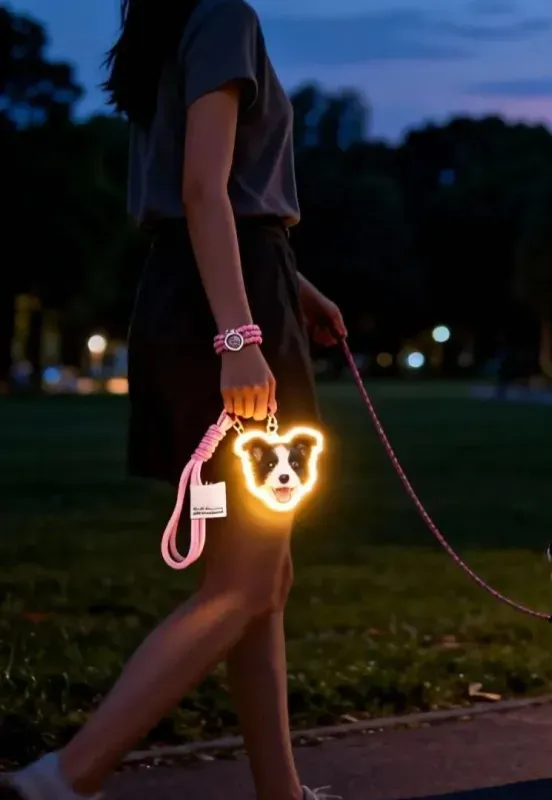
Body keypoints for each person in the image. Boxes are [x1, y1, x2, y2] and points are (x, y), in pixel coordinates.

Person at [4, 0, 346, 798]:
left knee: (262, 578)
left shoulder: (173, 21)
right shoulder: (223, 13)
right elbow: (204, 188)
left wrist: (292, 287)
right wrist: (242, 338)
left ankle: (281, 792)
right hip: (222, 312)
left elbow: (197, 197)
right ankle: (67, 775)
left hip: (194, 292)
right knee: (244, 585)